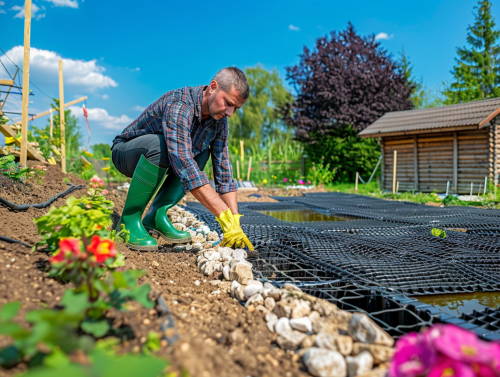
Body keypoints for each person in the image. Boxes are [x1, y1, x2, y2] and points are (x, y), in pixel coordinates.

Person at [111, 67, 254, 252]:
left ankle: (156, 215)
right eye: (227, 103)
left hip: (166, 157)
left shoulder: (219, 122)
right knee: (162, 145)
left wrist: (234, 219)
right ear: (212, 87)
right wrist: (222, 215)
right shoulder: (180, 104)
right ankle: (128, 221)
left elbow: (224, 169)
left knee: (200, 151)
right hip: (127, 153)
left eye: (236, 108)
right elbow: (184, 162)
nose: (230, 112)